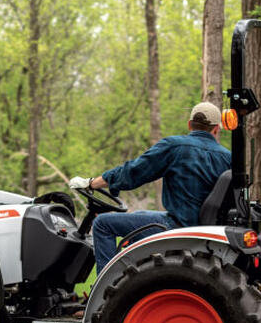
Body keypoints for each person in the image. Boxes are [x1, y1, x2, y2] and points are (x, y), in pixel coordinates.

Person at [69, 101, 233, 272]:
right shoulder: (228, 158)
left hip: (176, 228)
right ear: (216, 129)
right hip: (206, 232)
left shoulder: (175, 146)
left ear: (189, 125)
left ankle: (108, 290)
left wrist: (92, 183)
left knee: (103, 224)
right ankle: (137, 274)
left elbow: (133, 172)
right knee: (140, 215)